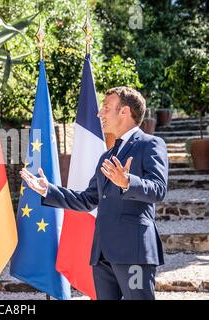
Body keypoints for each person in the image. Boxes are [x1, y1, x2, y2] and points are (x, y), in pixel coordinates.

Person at [21, 87, 168, 300]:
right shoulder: (107, 156)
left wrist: (127, 182)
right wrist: (48, 190)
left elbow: (158, 189)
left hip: (133, 253)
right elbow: (88, 199)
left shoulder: (151, 144)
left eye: (106, 108)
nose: (100, 113)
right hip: (102, 255)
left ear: (124, 112)